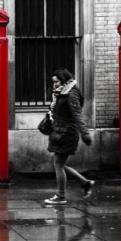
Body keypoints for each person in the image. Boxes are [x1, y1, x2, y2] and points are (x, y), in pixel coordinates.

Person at [44, 68, 94, 205]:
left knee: (58, 165)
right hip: (59, 132)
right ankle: (85, 183)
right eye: (53, 82)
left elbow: (77, 114)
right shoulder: (61, 92)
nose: (54, 85)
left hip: (67, 133)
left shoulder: (71, 94)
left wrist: (85, 133)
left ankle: (60, 196)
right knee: (58, 164)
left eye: (56, 82)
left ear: (64, 81)